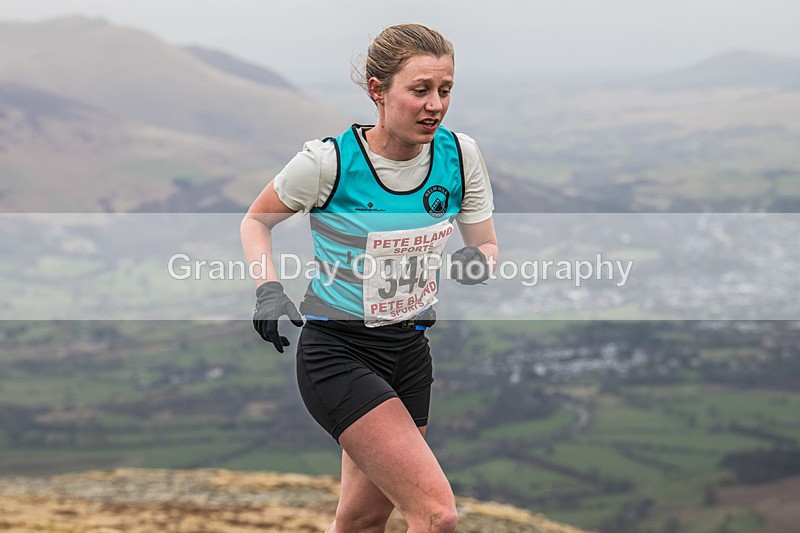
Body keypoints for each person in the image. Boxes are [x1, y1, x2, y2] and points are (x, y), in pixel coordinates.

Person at [241, 23, 497, 533]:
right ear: (378, 91)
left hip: (410, 353)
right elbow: (256, 220)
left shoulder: (461, 157)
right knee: (436, 514)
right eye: (420, 90)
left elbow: (485, 245)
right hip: (338, 352)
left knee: (361, 520)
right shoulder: (327, 162)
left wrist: (477, 263)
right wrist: (268, 290)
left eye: (445, 90)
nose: (436, 105)